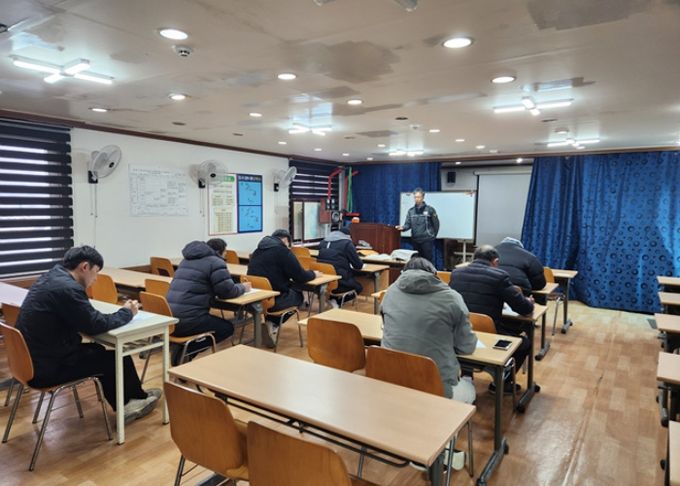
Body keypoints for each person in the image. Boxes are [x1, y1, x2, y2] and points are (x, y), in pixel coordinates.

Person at [16, 246, 160, 423]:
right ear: (84, 267)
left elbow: (83, 318)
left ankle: (135, 396)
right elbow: (95, 325)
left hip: (32, 362)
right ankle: (129, 405)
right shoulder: (68, 288)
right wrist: (126, 312)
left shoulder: (51, 277)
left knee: (98, 350)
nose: (96, 278)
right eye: (96, 272)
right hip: (47, 369)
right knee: (115, 358)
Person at [381, 257, 478, 403]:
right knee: (469, 388)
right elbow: (467, 348)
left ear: (403, 273)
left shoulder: (390, 292)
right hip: (435, 388)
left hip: (391, 381)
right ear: (435, 275)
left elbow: (385, 325)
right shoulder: (452, 298)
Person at [450, 245, 534, 393]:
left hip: (459, 331)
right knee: (524, 343)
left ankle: (467, 375)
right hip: (489, 332)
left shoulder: (456, 273)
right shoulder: (499, 276)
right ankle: (501, 382)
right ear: (495, 261)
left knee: (471, 323)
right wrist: (530, 303)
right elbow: (523, 308)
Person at [167, 238, 250, 365]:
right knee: (226, 328)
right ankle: (188, 350)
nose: (226, 255)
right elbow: (227, 292)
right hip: (189, 320)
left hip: (170, 318)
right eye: (225, 252)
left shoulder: (186, 261)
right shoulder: (215, 262)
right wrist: (243, 287)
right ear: (219, 251)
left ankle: (182, 348)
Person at [248, 229, 321, 340]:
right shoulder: (283, 252)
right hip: (275, 300)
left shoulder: (257, 251)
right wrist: (314, 274)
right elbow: (301, 276)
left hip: (255, 298)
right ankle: (274, 323)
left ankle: (271, 323)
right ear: (285, 241)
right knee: (299, 296)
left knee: (290, 288)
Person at [317, 226, 364, 307]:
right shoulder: (347, 244)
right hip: (340, 283)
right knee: (359, 287)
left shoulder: (323, 243)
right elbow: (358, 265)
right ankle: (337, 302)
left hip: (323, 281)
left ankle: (332, 299)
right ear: (348, 236)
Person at [396, 187, 439, 264]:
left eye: (418, 197)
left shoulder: (430, 209)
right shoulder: (411, 211)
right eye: (415, 197)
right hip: (415, 240)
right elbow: (408, 224)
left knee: (427, 262)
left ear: (423, 197)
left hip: (426, 240)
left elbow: (436, 224)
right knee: (417, 262)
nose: (417, 199)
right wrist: (402, 228)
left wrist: (432, 236)